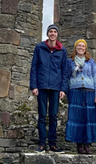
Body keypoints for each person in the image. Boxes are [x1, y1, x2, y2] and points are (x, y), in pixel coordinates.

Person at [30, 24, 70, 153]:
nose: (52, 33)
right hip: (41, 86)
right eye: (50, 31)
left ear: (57, 34)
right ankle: (42, 144)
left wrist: (63, 89)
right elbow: (34, 67)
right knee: (42, 116)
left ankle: (52, 144)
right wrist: (34, 86)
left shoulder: (62, 50)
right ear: (47, 34)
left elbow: (65, 71)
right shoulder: (39, 48)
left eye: (54, 32)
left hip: (55, 87)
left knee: (53, 116)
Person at [65, 39, 96, 154]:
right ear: (75, 48)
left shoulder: (90, 62)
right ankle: (79, 144)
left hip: (89, 91)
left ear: (85, 48)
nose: (81, 47)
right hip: (75, 91)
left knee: (88, 118)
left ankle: (87, 144)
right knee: (77, 117)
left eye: (83, 46)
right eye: (78, 46)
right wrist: (67, 92)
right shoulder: (70, 62)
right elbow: (66, 77)